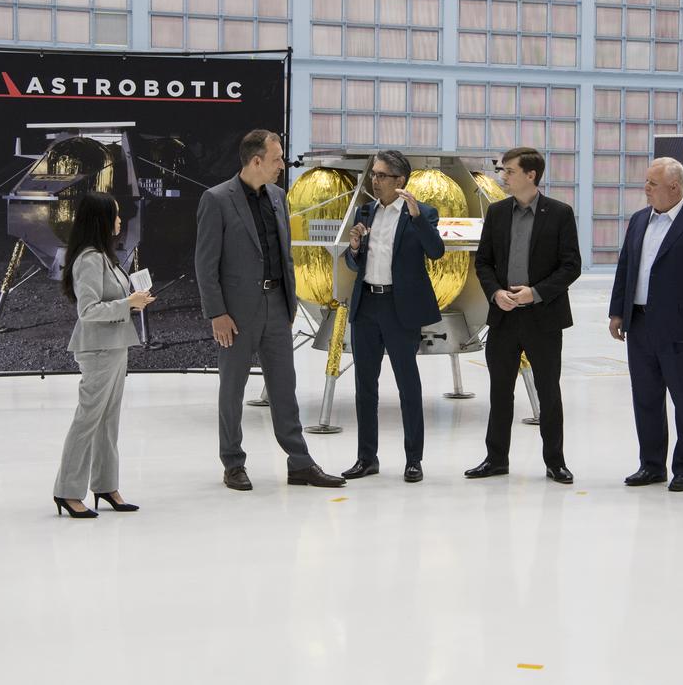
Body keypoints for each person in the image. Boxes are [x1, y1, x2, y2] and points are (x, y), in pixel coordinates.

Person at [195, 129, 344, 490]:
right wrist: (217, 314)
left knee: (284, 388)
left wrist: (290, 304)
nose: (282, 165)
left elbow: (285, 255)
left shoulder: (278, 197)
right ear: (256, 160)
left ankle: (300, 463)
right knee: (232, 390)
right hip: (235, 314)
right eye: (277, 159)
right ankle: (233, 463)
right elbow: (205, 264)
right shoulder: (216, 199)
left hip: (277, 306)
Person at [608, 157, 683, 492]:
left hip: (682, 327)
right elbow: (626, 267)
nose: (645, 188)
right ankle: (651, 465)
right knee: (645, 398)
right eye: (646, 181)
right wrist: (617, 312)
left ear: (674, 187)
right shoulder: (639, 220)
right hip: (640, 323)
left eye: (652, 183)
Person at [466, 147, 581, 484]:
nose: (503, 176)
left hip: (543, 317)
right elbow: (483, 262)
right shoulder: (497, 212)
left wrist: (536, 292)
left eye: (510, 171)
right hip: (504, 317)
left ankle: (555, 462)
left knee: (549, 392)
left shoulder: (559, 213)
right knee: (500, 391)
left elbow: (571, 265)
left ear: (531, 175)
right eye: (503, 171)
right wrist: (495, 293)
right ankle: (495, 459)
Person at [339, 150, 445, 483]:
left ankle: (414, 459)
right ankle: (366, 458)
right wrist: (354, 248)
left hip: (400, 309)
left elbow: (436, 252)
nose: (375, 180)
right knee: (364, 387)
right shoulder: (365, 211)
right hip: (367, 306)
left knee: (407, 386)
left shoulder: (423, 213)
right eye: (373, 174)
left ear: (400, 180)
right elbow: (354, 263)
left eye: (381, 175)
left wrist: (417, 218)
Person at [53, 192, 155, 518]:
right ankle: (68, 491)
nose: (120, 220)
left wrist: (133, 302)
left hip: (114, 346)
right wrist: (128, 303)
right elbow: (88, 311)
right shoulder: (89, 259)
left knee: (108, 420)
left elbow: (108, 303)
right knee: (88, 420)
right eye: (116, 214)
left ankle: (106, 485)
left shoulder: (103, 256)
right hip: (98, 349)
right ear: (101, 219)